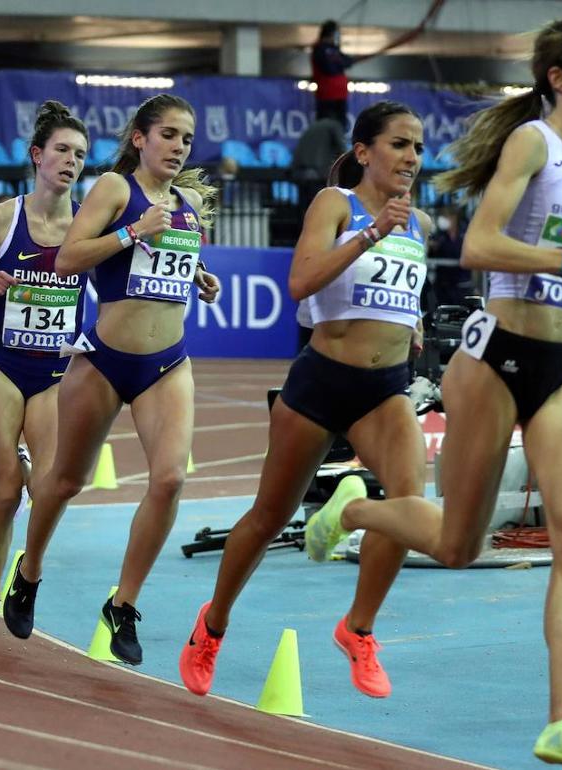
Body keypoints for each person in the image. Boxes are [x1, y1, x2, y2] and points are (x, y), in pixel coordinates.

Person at [300, 15, 562, 769]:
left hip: (560, 365)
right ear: (560, 77)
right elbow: (481, 247)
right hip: (494, 360)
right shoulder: (532, 144)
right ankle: (353, 507)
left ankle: (559, 722)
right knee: (459, 546)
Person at [179, 100, 432, 700]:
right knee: (269, 517)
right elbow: (302, 281)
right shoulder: (335, 205)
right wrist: (373, 231)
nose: (412, 158)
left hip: (384, 389)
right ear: (365, 152)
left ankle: (358, 629)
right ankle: (211, 626)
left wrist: (412, 319)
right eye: (400, 144)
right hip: (322, 383)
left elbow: (399, 287)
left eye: (419, 148)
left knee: (408, 505)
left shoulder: (414, 221)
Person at [2, 94, 221, 665]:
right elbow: (69, 259)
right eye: (168, 135)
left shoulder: (191, 204)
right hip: (103, 360)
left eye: (187, 139)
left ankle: (123, 604)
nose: (178, 147)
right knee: (66, 481)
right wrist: (132, 234)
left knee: (170, 480)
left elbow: (165, 261)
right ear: (140, 139)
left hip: (167, 362)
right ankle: (28, 572)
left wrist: (197, 274)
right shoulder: (114, 189)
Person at [0, 101, 91, 635]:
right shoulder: (1, 218)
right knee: (5, 492)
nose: (71, 161)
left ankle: (28, 575)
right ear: (37, 155)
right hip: (1, 365)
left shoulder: (87, 227)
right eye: (61, 151)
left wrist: (197, 279)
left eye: (79, 154)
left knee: (48, 490)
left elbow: (135, 277)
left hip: (55, 373)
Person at [311, 21, 359, 126]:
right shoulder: (320, 49)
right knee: (326, 126)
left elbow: (347, 61)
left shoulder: (334, 50)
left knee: (340, 126)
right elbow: (329, 68)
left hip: (340, 94)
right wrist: (340, 63)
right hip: (327, 95)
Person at [427, 206, 474, 307]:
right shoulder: (439, 236)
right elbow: (430, 254)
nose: (443, 219)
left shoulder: (465, 234)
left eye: (446, 216)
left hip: (462, 284)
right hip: (443, 285)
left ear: (454, 217)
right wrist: (432, 247)